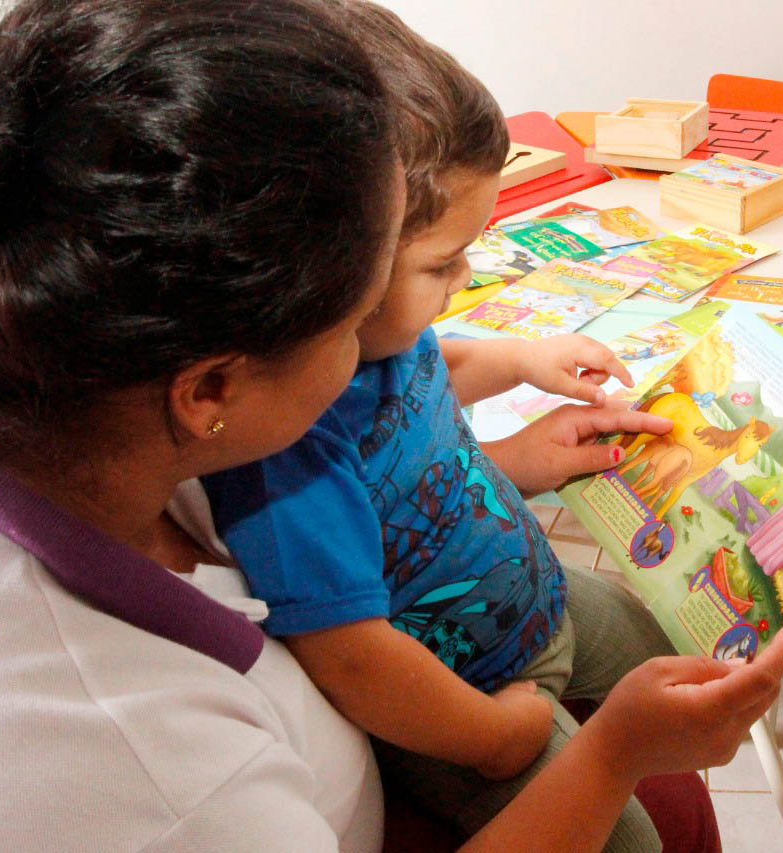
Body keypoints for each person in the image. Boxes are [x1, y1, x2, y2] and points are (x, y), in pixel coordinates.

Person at [0, 1, 783, 850]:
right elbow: (358, 651)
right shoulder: (165, 783)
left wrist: (505, 452)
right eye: (352, 319)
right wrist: (602, 760)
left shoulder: (76, 389)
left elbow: (406, 439)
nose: (389, 340)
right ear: (214, 387)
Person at [200, 6, 689, 847]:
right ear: (336, 268)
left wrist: (522, 358)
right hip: (460, 698)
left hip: (538, 595)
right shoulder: (285, 442)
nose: (463, 280)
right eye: (441, 264)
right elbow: (351, 656)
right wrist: (495, 738)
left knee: (666, 653)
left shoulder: (385, 334)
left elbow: (438, 367)